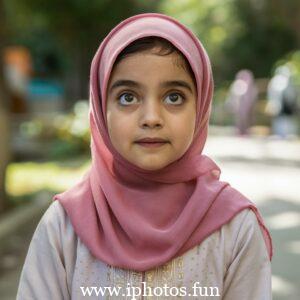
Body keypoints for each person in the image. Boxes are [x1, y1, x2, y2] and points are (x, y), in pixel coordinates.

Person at [16, 13, 272, 299]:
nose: (151, 118)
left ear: (200, 107)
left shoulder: (234, 227)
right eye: (128, 97)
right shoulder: (64, 226)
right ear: (101, 107)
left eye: (174, 97)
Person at [266, 65, 299, 138]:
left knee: (284, 124)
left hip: (283, 108)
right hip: (283, 107)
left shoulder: (275, 81)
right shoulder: (282, 81)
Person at [225, 69, 258, 135]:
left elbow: (253, 95)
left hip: (247, 106)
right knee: (240, 119)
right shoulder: (238, 84)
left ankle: (245, 131)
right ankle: (240, 131)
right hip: (240, 106)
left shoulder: (250, 85)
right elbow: (235, 96)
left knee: (246, 119)